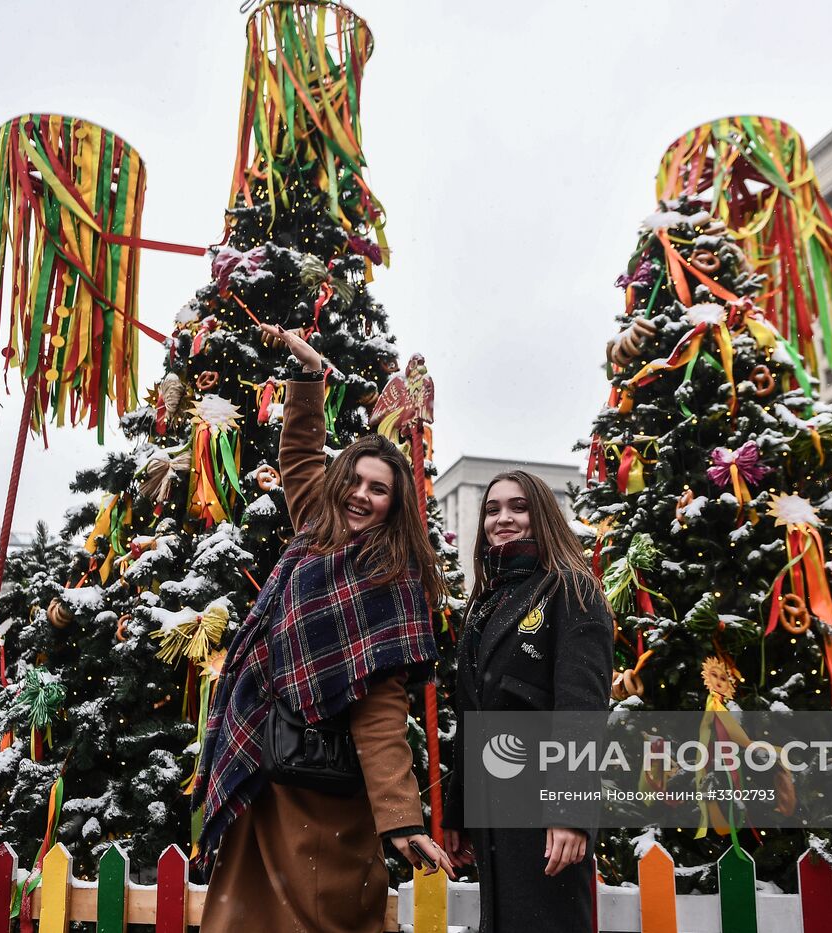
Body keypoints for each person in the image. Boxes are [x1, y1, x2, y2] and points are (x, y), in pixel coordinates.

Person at [194, 323, 454, 933]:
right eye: (356, 482)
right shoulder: (317, 522)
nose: (362, 496)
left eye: (379, 489)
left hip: (323, 797)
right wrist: (310, 376)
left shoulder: (391, 578)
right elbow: (301, 453)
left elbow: (383, 711)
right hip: (264, 770)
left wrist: (401, 820)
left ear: (396, 504)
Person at [441, 472, 614, 931]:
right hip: (493, 811)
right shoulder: (484, 603)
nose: (504, 519)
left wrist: (571, 813)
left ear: (542, 515)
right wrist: (458, 810)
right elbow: (470, 713)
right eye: (493, 510)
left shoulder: (571, 590)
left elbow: (582, 710)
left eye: (518, 507)